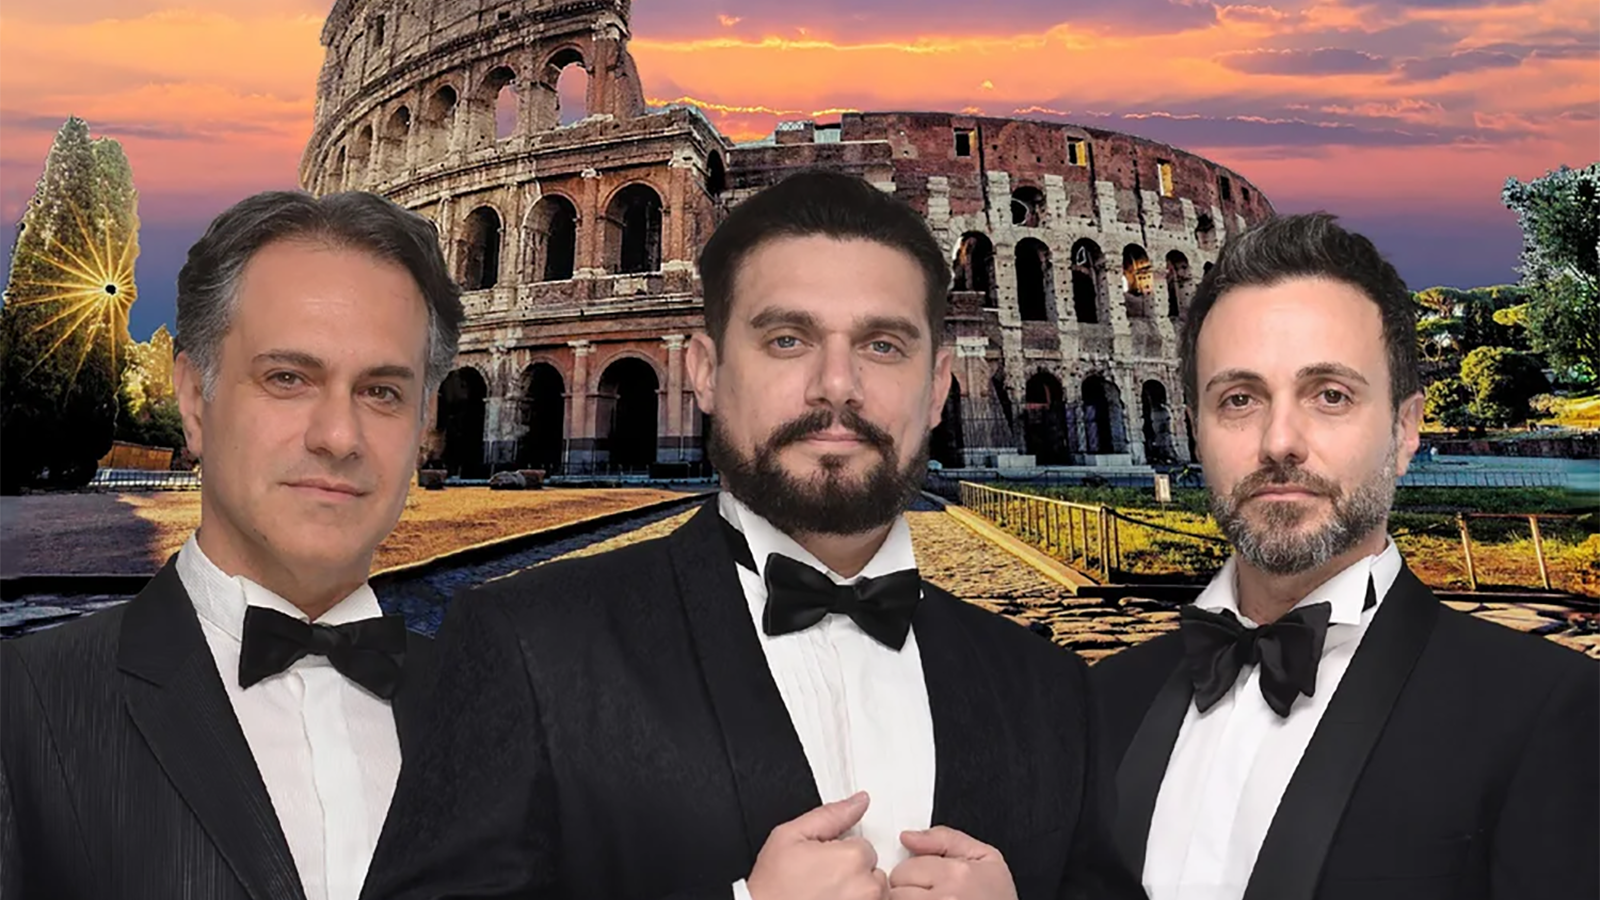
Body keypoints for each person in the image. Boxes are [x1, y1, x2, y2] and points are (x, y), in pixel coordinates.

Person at [363, 171, 1143, 900]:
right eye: (787, 340)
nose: (836, 385)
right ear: (704, 371)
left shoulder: (1054, 690)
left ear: (939, 386)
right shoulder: (524, 645)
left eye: (881, 345)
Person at [1092, 213, 1598, 900]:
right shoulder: (1104, 700)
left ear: (1405, 427)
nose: (1280, 441)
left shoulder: (1547, 710)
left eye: (1330, 395)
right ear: (1196, 429)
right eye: (1239, 399)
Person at [0, 190, 466, 900]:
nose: (337, 437)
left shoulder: (497, 712)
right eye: (288, 378)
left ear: (422, 426)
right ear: (194, 399)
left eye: (381, 392)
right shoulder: (25, 707)